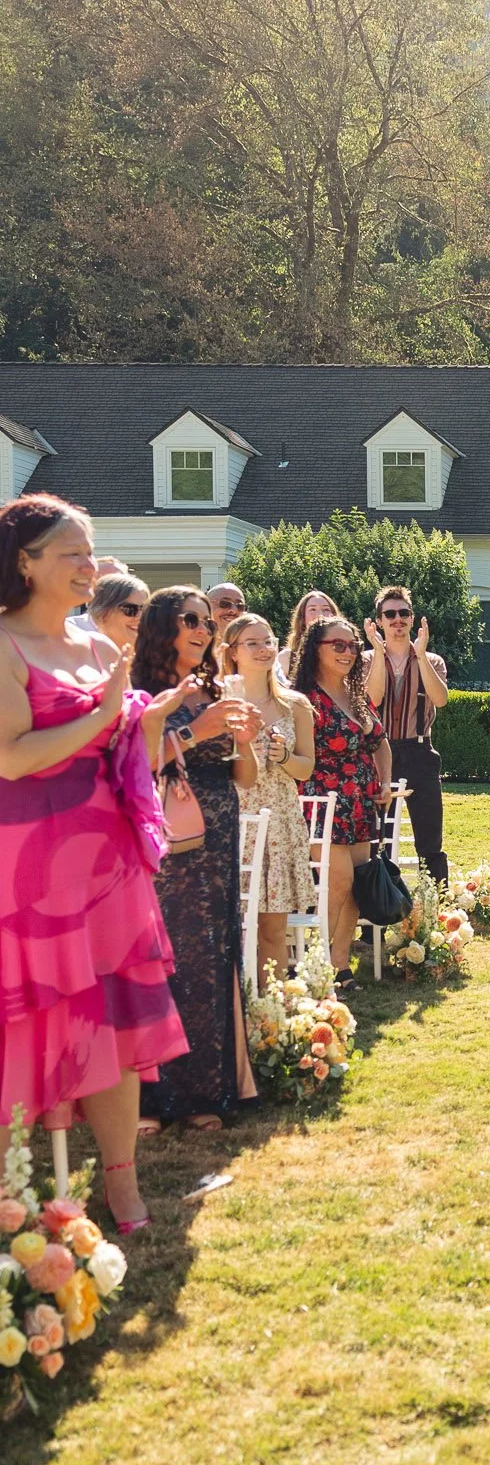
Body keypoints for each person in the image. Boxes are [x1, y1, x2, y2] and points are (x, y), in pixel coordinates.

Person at [0, 499, 189, 1232]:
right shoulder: (6, 645)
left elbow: (123, 754)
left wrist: (143, 725)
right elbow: (11, 758)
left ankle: (122, 1184)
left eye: (90, 551)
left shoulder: (98, 647)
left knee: (116, 1019)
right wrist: (106, 712)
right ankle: (13, 1197)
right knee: (25, 1022)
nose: (90, 566)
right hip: (28, 865)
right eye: (72, 554)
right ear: (25, 562)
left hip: (108, 862)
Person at [134, 589, 260, 1131]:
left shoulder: (216, 689)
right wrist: (194, 731)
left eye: (207, 621)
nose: (204, 629)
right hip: (157, 836)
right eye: (191, 619)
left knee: (210, 955)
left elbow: (245, 779)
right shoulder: (141, 692)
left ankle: (206, 1092)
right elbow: (129, 764)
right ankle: (150, 1100)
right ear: (163, 626)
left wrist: (246, 740)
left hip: (217, 835)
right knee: (159, 957)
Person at [221, 612, 317, 987]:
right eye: (253, 643)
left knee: (273, 929)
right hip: (233, 818)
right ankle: (236, 1012)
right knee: (230, 929)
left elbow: (307, 769)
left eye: (268, 641)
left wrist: (283, 758)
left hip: (278, 820)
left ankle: (272, 1013)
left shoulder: (296, 705)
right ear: (232, 652)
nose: (264, 649)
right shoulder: (217, 701)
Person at [296, 616, 392, 982]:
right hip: (322, 802)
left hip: (360, 802)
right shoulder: (303, 699)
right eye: (338, 645)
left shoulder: (356, 694)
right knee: (339, 881)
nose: (348, 652)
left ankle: (339, 961)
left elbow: (379, 742)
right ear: (315, 650)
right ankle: (312, 961)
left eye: (352, 645)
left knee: (356, 884)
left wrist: (383, 781)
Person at [364, 584, 449, 882]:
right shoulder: (365, 660)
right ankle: (378, 917)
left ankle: (439, 911)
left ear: (412, 619)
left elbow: (440, 699)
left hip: (419, 752)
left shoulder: (432, 659)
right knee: (379, 838)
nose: (397, 619)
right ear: (379, 621)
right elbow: (371, 700)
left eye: (404, 613)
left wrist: (421, 655)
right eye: (390, 614)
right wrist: (377, 652)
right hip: (379, 755)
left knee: (430, 840)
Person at [278, 590, 339, 682]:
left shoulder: (345, 654)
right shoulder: (287, 658)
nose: (320, 615)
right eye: (312, 609)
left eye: (326, 609)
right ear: (302, 618)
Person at [88, 570, 150, 647]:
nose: (140, 617)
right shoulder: (79, 654)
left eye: (145, 610)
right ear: (103, 611)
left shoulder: (158, 656)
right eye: (130, 609)